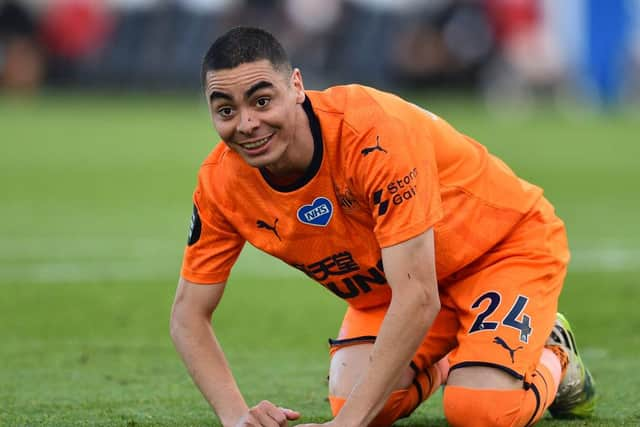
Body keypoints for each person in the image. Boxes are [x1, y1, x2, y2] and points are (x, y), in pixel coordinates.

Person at [170, 26, 596, 427]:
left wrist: (346, 425)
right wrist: (235, 417)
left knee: (479, 412)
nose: (246, 124)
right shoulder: (221, 184)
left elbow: (419, 296)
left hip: (500, 249)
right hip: (403, 283)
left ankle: (555, 351)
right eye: (226, 109)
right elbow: (188, 315)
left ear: (296, 86)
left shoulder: (372, 133)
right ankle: (451, 359)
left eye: (262, 101)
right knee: (358, 399)